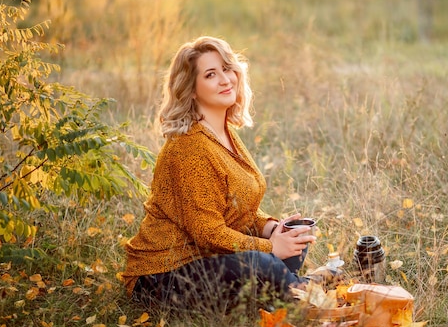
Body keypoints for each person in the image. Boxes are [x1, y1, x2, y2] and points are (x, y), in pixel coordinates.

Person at [121, 36, 317, 311]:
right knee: (263, 262)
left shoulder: (224, 133)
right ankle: (306, 290)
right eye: (211, 74)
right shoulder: (189, 146)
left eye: (227, 69)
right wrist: (269, 247)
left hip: (208, 259)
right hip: (164, 276)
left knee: (296, 238)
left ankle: (291, 286)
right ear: (191, 89)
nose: (226, 80)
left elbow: (235, 206)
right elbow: (208, 232)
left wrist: (272, 228)